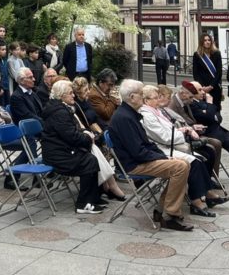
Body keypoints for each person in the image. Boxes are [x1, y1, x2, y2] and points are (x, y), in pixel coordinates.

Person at [108, 79, 193, 231]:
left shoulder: (130, 114)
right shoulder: (124, 118)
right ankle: (170, 215)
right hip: (134, 165)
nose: (143, 97)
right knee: (180, 167)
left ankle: (162, 211)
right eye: (141, 94)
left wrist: (163, 156)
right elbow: (138, 152)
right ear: (132, 97)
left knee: (182, 164)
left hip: (139, 159)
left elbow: (146, 145)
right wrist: (162, 157)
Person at [139, 85, 219, 217]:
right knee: (194, 162)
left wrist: (184, 130)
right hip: (161, 149)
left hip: (169, 145)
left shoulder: (155, 111)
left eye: (159, 97)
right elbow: (164, 137)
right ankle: (196, 201)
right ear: (146, 100)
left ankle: (202, 196)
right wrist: (184, 133)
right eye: (155, 98)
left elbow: (169, 130)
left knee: (200, 158)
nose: (158, 100)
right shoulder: (147, 114)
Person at [172, 82, 229, 186]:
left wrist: (208, 111)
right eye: (200, 90)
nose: (203, 92)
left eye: (202, 89)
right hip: (209, 132)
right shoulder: (192, 103)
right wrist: (210, 105)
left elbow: (217, 117)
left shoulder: (200, 102)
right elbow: (207, 117)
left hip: (217, 129)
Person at [40, 79, 108, 214]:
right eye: (70, 93)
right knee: (89, 160)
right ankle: (83, 203)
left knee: (91, 157)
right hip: (57, 155)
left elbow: (73, 131)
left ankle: (93, 197)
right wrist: (88, 137)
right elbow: (72, 136)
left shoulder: (61, 108)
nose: (73, 96)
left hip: (62, 150)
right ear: (61, 96)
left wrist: (85, 133)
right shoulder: (59, 112)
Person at [192, 34, 223, 111]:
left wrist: (211, 86)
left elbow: (219, 72)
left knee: (216, 110)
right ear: (201, 42)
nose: (207, 42)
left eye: (209, 40)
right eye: (205, 40)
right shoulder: (197, 55)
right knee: (204, 110)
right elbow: (196, 73)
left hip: (215, 87)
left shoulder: (217, 54)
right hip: (202, 88)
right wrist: (202, 86)